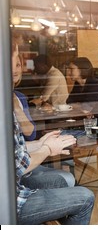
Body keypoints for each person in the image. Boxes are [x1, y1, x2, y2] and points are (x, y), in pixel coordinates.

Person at [12, 37, 75, 187]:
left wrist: (17, 104)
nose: (14, 70)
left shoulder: (18, 97)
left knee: (69, 181)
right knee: (75, 187)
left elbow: (31, 133)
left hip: (57, 115)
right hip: (19, 170)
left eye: (18, 65)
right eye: (10, 64)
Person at [14, 120, 95, 224]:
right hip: (11, 203)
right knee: (86, 197)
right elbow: (20, 166)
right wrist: (47, 149)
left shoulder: (5, 110)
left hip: (15, 186)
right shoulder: (5, 111)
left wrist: (39, 143)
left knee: (60, 182)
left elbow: (15, 149)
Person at [66, 57, 98, 125]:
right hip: (89, 121)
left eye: (71, 69)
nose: (69, 72)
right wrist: (81, 107)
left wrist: (79, 106)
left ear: (81, 69)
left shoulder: (95, 84)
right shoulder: (78, 84)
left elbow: (86, 108)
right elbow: (69, 102)